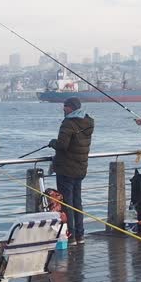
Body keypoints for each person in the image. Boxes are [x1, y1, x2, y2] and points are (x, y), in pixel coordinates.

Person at [50, 97, 94, 243]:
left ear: (72, 108)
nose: (63, 109)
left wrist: (52, 143)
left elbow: (62, 145)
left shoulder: (68, 123)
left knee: (66, 203)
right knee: (77, 202)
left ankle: (70, 236)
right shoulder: (87, 122)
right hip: (80, 168)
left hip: (66, 169)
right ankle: (80, 234)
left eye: (66, 106)